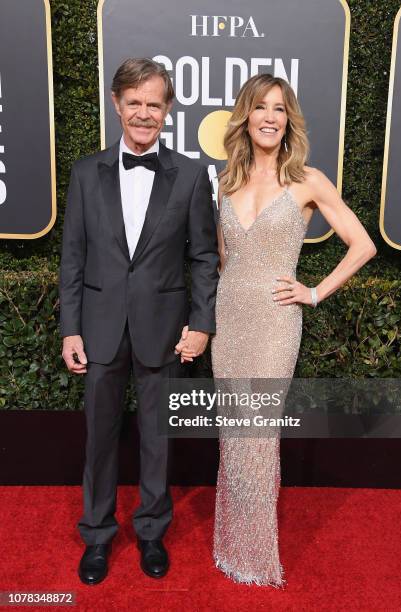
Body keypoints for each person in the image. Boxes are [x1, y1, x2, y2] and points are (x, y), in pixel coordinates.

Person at [179, 74, 376, 586]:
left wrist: (312, 292)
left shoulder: (308, 180)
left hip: (273, 322)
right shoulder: (220, 181)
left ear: (289, 120)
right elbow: (219, 261)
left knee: (258, 434)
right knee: (233, 434)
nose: (270, 116)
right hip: (229, 320)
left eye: (280, 108)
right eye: (261, 107)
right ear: (244, 116)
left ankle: (255, 555)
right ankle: (231, 545)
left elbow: (363, 245)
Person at [59, 58, 219, 585]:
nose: (144, 113)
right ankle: (98, 535)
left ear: (168, 110)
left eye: (155, 104)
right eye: (135, 103)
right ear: (117, 103)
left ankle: (151, 530)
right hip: (99, 328)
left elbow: (203, 258)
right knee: (98, 438)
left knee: (158, 438)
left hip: (165, 329)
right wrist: (70, 328)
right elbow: (74, 258)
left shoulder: (193, 175)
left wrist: (201, 324)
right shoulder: (85, 172)